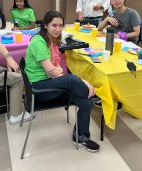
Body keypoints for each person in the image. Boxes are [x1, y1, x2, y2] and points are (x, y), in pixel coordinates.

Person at [25, 10, 100, 152]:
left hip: (50, 84)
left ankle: (81, 136)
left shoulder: (53, 41)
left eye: (60, 25)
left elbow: (58, 68)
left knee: (85, 102)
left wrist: (78, 80)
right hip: (39, 89)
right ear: (45, 25)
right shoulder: (38, 42)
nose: (58, 29)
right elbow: (53, 72)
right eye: (54, 25)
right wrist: (82, 82)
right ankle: (92, 93)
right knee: (71, 80)